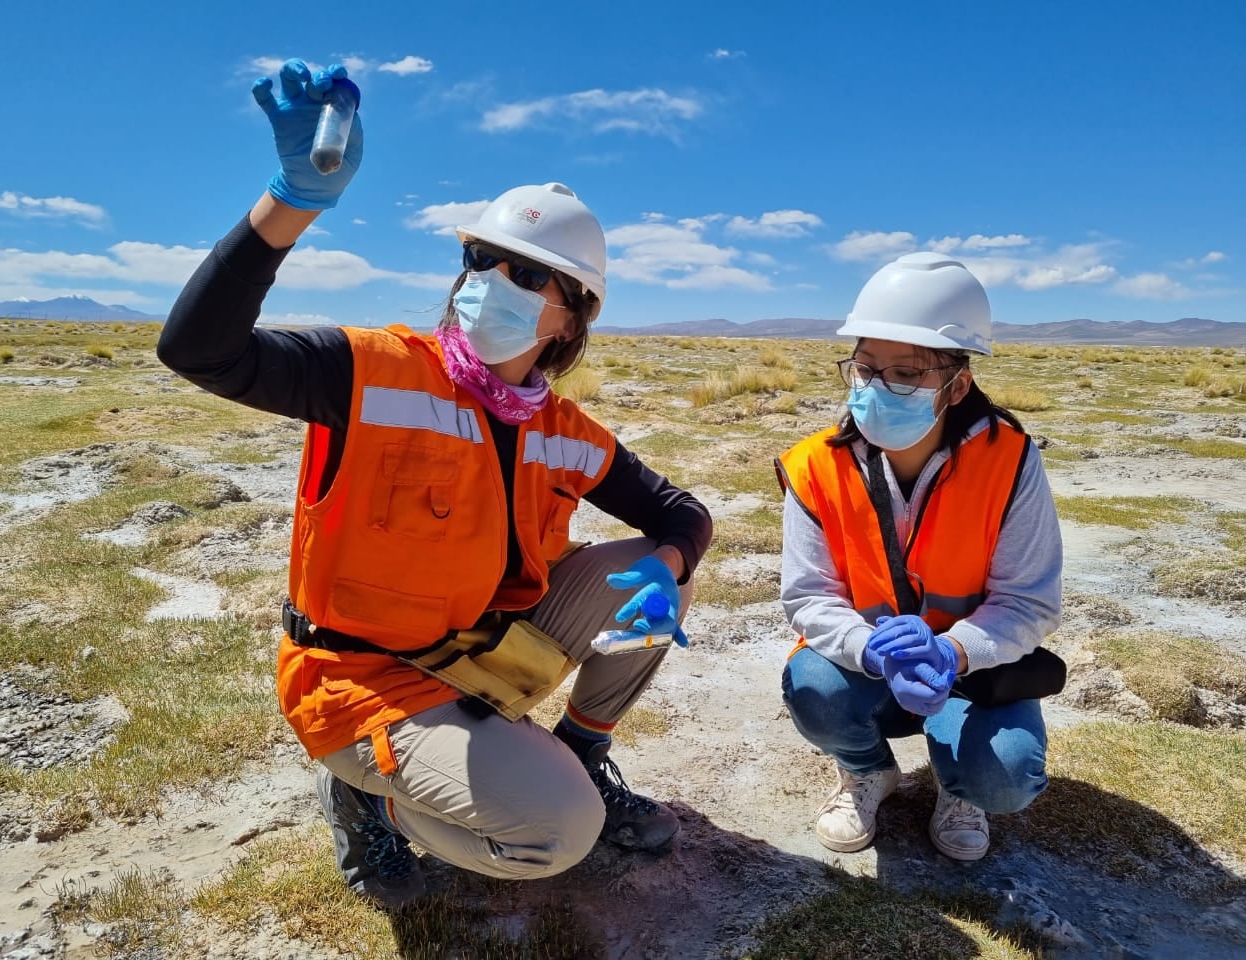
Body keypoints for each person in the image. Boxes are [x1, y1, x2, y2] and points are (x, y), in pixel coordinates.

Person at [157, 60, 712, 907]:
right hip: (362, 679)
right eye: (483, 258)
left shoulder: (563, 431)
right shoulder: (366, 373)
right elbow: (198, 351)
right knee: (559, 831)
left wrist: (672, 563)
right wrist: (291, 200)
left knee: (645, 568)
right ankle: (371, 796)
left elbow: (682, 514)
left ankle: (581, 756)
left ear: (571, 316)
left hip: (483, 656)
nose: (493, 281)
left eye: (528, 275)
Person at [774, 252, 1062, 862]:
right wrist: (866, 647)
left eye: (908, 372)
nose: (879, 387)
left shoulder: (1010, 462)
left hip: (972, 673)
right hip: (866, 667)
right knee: (813, 686)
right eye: (867, 367)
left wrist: (953, 652)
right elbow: (807, 596)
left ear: (957, 385)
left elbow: (1029, 602)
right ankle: (867, 772)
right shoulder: (815, 466)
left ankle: (961, 788)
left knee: (1006, 775)